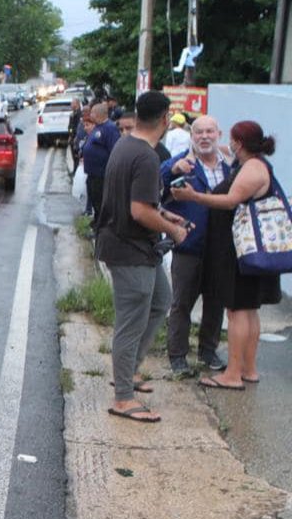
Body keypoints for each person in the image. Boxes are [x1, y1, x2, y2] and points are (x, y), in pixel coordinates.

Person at [96, 91, 189, 423]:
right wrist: (173, 231)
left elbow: (140, 203)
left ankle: (129, 372)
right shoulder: (147, 156)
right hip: (129, 249)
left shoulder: (127, 144)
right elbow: (138, 211)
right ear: (165, 119)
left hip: (134, 248)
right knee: (130, 323)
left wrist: (165, 215)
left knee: (161, 301)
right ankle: (123, 397)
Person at [172, 121, 283, 390]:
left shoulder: (252, 169)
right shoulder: (253, 162)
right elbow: (213, 147)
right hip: (254, 251)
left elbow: (231, 200)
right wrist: (200, 146)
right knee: (249, 310)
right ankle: (248, 369)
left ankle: (232, 374)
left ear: (239, 143)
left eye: (230, 139)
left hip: (242, 252)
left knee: (237, 312)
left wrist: (196, 197)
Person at [159, 115, 230, 376]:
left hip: (220, 248)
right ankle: (178, 356)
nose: (204, 137)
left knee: (215, 302)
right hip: (189, 246)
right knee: (181, 304)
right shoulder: (182, 162)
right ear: (191, 136)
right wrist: (173, 170)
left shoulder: (229, 165)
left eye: (209, 131)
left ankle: (208, 351)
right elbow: (158, 180)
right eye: (198, 132)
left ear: (218, 134)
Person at [82, 103, 120, 225]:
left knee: (101, 202)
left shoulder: (109, 128)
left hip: (102, 175)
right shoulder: (98, 127)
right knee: (94, 200)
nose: (90, 114)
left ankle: (101, 226)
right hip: (92, 173)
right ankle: (96, 222)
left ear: (98, 114)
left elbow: (114, 151)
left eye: (92, 112)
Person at [67, 97, 83, 176]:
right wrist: (70, 135)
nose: (71, 105)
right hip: (72, 137)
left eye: (72, 103)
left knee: (76, 156)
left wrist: (74, 137)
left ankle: (76, 171)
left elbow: (77, 127)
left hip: (76, 138)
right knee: (74, 156)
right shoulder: (73, 114)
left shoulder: (79, 114)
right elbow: (70, 127)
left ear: (77, 104)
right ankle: (74, 170)